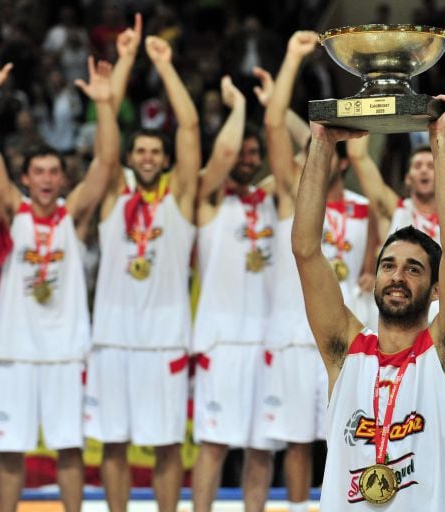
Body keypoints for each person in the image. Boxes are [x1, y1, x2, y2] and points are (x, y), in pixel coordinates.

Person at [293, 95, 445, 510]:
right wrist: (321, 144)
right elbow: (306, 250)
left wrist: (440, 140)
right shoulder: (346, 353)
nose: (396, 276)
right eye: (388, 265)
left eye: (414, 269)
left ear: (436, 289)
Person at [0, 45, 117, 512]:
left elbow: (105, 163)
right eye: (40, 172)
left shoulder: (73, 217)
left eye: (55, 171)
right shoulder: (14, 213)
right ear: (27, 179)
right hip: (15, 351)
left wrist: (105, 102)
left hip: (65, 352)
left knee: (69, 451)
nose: (49, 179)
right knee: (10, 452)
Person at [84, 22, 200, 512]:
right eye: (140, 151)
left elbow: (191, 128)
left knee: (168, 443)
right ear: (130, 159)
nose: (147, 157)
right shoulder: (113, 198)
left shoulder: (181, 199)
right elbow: (105, 148)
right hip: (112, 339)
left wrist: (166, 67)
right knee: (113, 442)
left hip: (165, 341)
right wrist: (123, 63)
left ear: (166, 160)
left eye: (156, 151)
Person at [259, 30, 375, 512]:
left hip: (346, 336)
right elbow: (271, 126)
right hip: (292, 332)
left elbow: (372, 267)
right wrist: (291, 58)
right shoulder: (292, 194)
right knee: (297, 441)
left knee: (347, 432)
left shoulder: (368, 209)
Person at [191, 66, 282, 512]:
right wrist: (240, 107)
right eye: (242, 152)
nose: (246, 158)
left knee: (262, 449)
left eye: (254, 153)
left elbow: (303, 159)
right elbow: (222, 153)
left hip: (266, 340)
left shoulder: (271, 198)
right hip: (222, 341)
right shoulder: (207, 199)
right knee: (214, 444)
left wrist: (275, 107)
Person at [348, 135, 440, 242]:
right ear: (407, 178)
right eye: (417, 166)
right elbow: (357, 156)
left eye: (431, 166)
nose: (424, 170)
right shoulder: (395, 209)